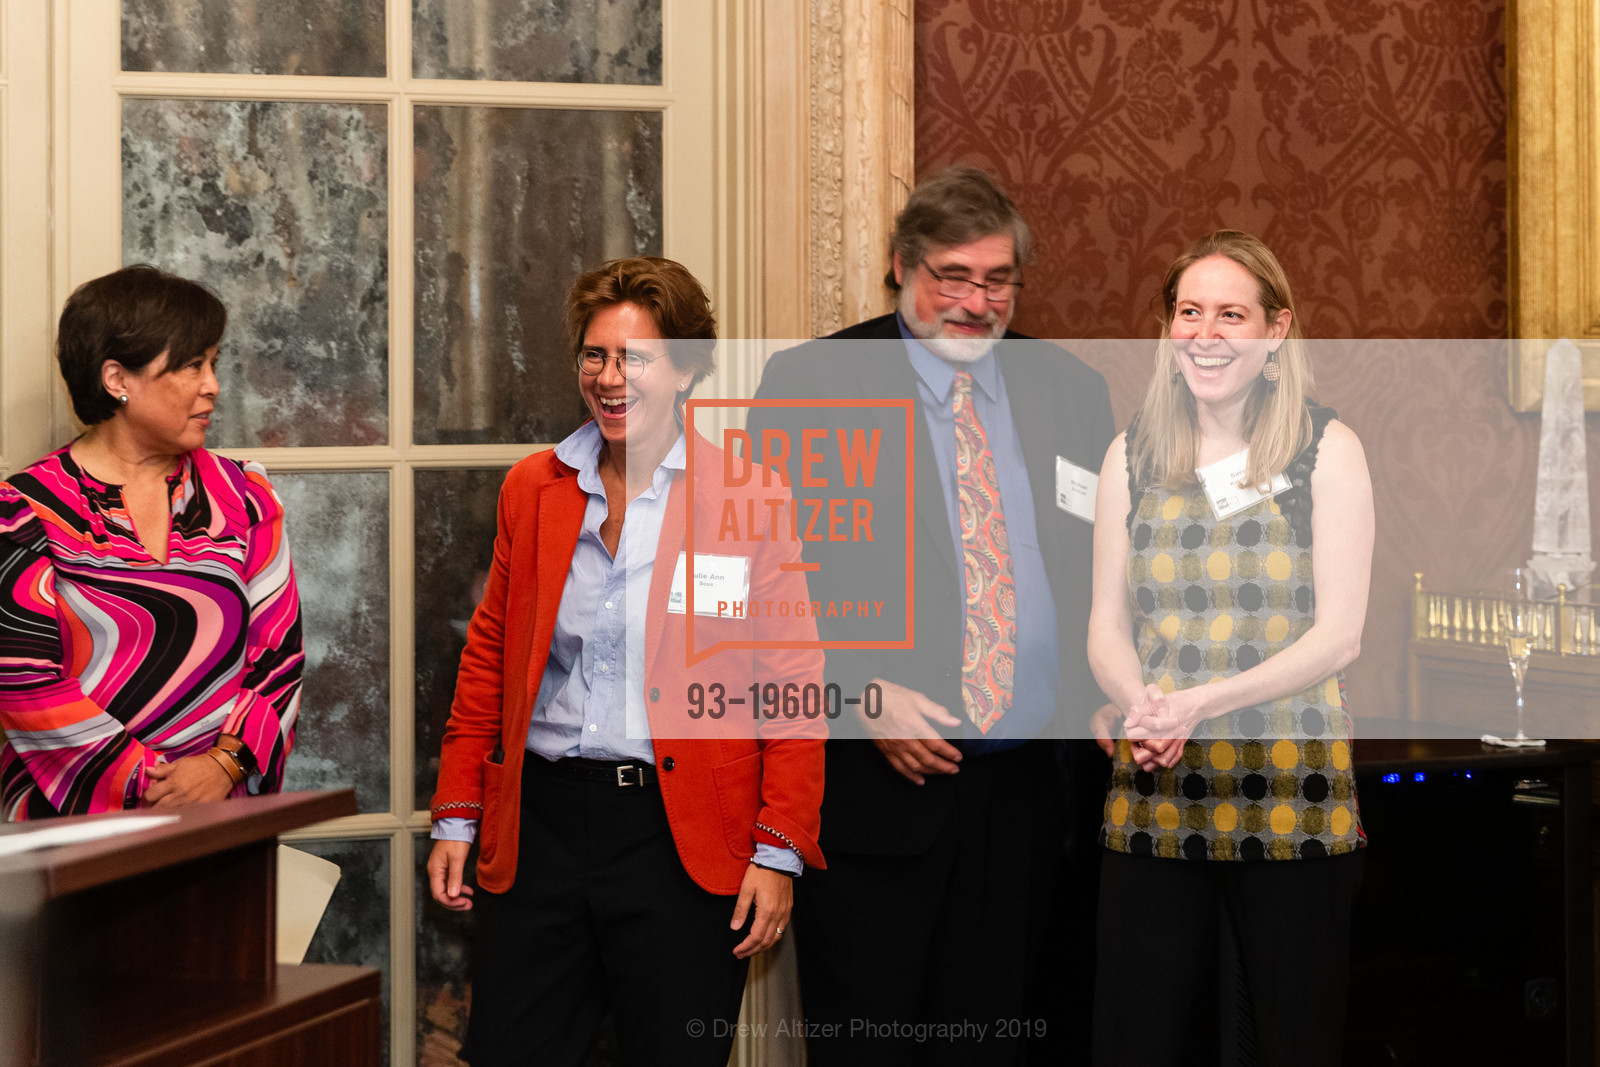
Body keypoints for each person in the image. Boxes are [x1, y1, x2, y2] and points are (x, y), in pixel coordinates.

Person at [749, 166, 1116, 1065]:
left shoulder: (1069, 390)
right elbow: (743, 593)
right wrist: (854, 696)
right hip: (879, 807)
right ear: (903, 269)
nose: (974, 300)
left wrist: (1113, 689)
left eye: (996, 280)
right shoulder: (813, 383)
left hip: (1032, 803)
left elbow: (1106, 573)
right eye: (951, 275)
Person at [426, 256, 826, 1067]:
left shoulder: (748, 497)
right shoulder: (533, 489)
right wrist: (458, 812)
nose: (609, 378)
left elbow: (792, 686)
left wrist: (777, 849)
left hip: (675, 842)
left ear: (684, 369)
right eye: (594, 355)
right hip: (540, 827)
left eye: (634, 358)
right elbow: (489, 663)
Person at [1087, 230, 1373, 1066]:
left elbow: (1340, 635)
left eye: (1232, 314)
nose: (1207, 333)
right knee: (1133, 1040)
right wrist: (1143, 701)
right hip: (1156, 789)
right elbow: (1106, 625)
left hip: (1293, 793)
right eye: (1190, 311)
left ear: (1276, 330)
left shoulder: (1328, 450)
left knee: (1290, 1041)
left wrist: (1193, 704)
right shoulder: (1129, 454)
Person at [0, 265, 303, 819]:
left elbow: (278, 656)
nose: (212, 384)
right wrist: (152, 787)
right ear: (117, 379)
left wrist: (222, 766)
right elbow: (22, 679)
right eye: (192, 365)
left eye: (213, 362)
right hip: (73, 828)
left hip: (218, 813)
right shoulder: (23, 511)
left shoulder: (244, 495)